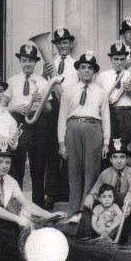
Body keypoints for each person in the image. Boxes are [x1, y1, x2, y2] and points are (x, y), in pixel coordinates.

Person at [57, 51, 110, 223]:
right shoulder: (69, 91)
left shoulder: (101, 92)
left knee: (91, 170)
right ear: (78, 71)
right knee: (73, 169)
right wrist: (61, 142)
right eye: (83, 67)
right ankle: (73, 210)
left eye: (90, 68)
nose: (86, 71)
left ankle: (85, 210)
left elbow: (106, 118)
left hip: (93, 128)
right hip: (73, 128)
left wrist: (106, 142)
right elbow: (62, 116)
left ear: (94, 72)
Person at [2, 44, 52, 207]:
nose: (27, 64)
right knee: (17, 164)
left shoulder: (43, 82)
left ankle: (38, 206)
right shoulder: (11, 81)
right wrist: (14, 108)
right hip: (18, 122)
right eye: (24, 60)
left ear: (35, 62)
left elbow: (50, 111)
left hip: (38, 123)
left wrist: (41, 102)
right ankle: (16, 204)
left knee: (38, 165)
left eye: (31, 61)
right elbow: (1, 108)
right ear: (20, 61)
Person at [77, 139, 131, 241]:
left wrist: (127, 203)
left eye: (122, 157)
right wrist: (91, 195)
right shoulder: (105, 173)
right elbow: (95, 190)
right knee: (90, 202)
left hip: (124, 205)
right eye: (115, 157)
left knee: (124, 198)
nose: (118, 161)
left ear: (127, 159)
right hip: (108, 203)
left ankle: (128, 237)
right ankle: (86, 235)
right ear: (110, 159)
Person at [43, 27, 78, 209]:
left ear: (71, 44)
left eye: (65, 42)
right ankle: (51, 192)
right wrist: (45, 75)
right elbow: (42, 87)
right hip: (53, 107)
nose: (62, 46)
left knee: (68, 149)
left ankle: (66, 190)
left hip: (71, 107)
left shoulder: (77, 64)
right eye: (59, 43)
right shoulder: (50, 64)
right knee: (52, 149)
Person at [95, 41, 131, 144]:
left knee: (127, 144)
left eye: (122, 59)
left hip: (127, 113)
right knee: (108, 143)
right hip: (108, 112)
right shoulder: (102, 76)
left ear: (126, 59)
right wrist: (104, 100)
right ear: (111, 59)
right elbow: (95, 100)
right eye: (116, 59)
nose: (119, 62)